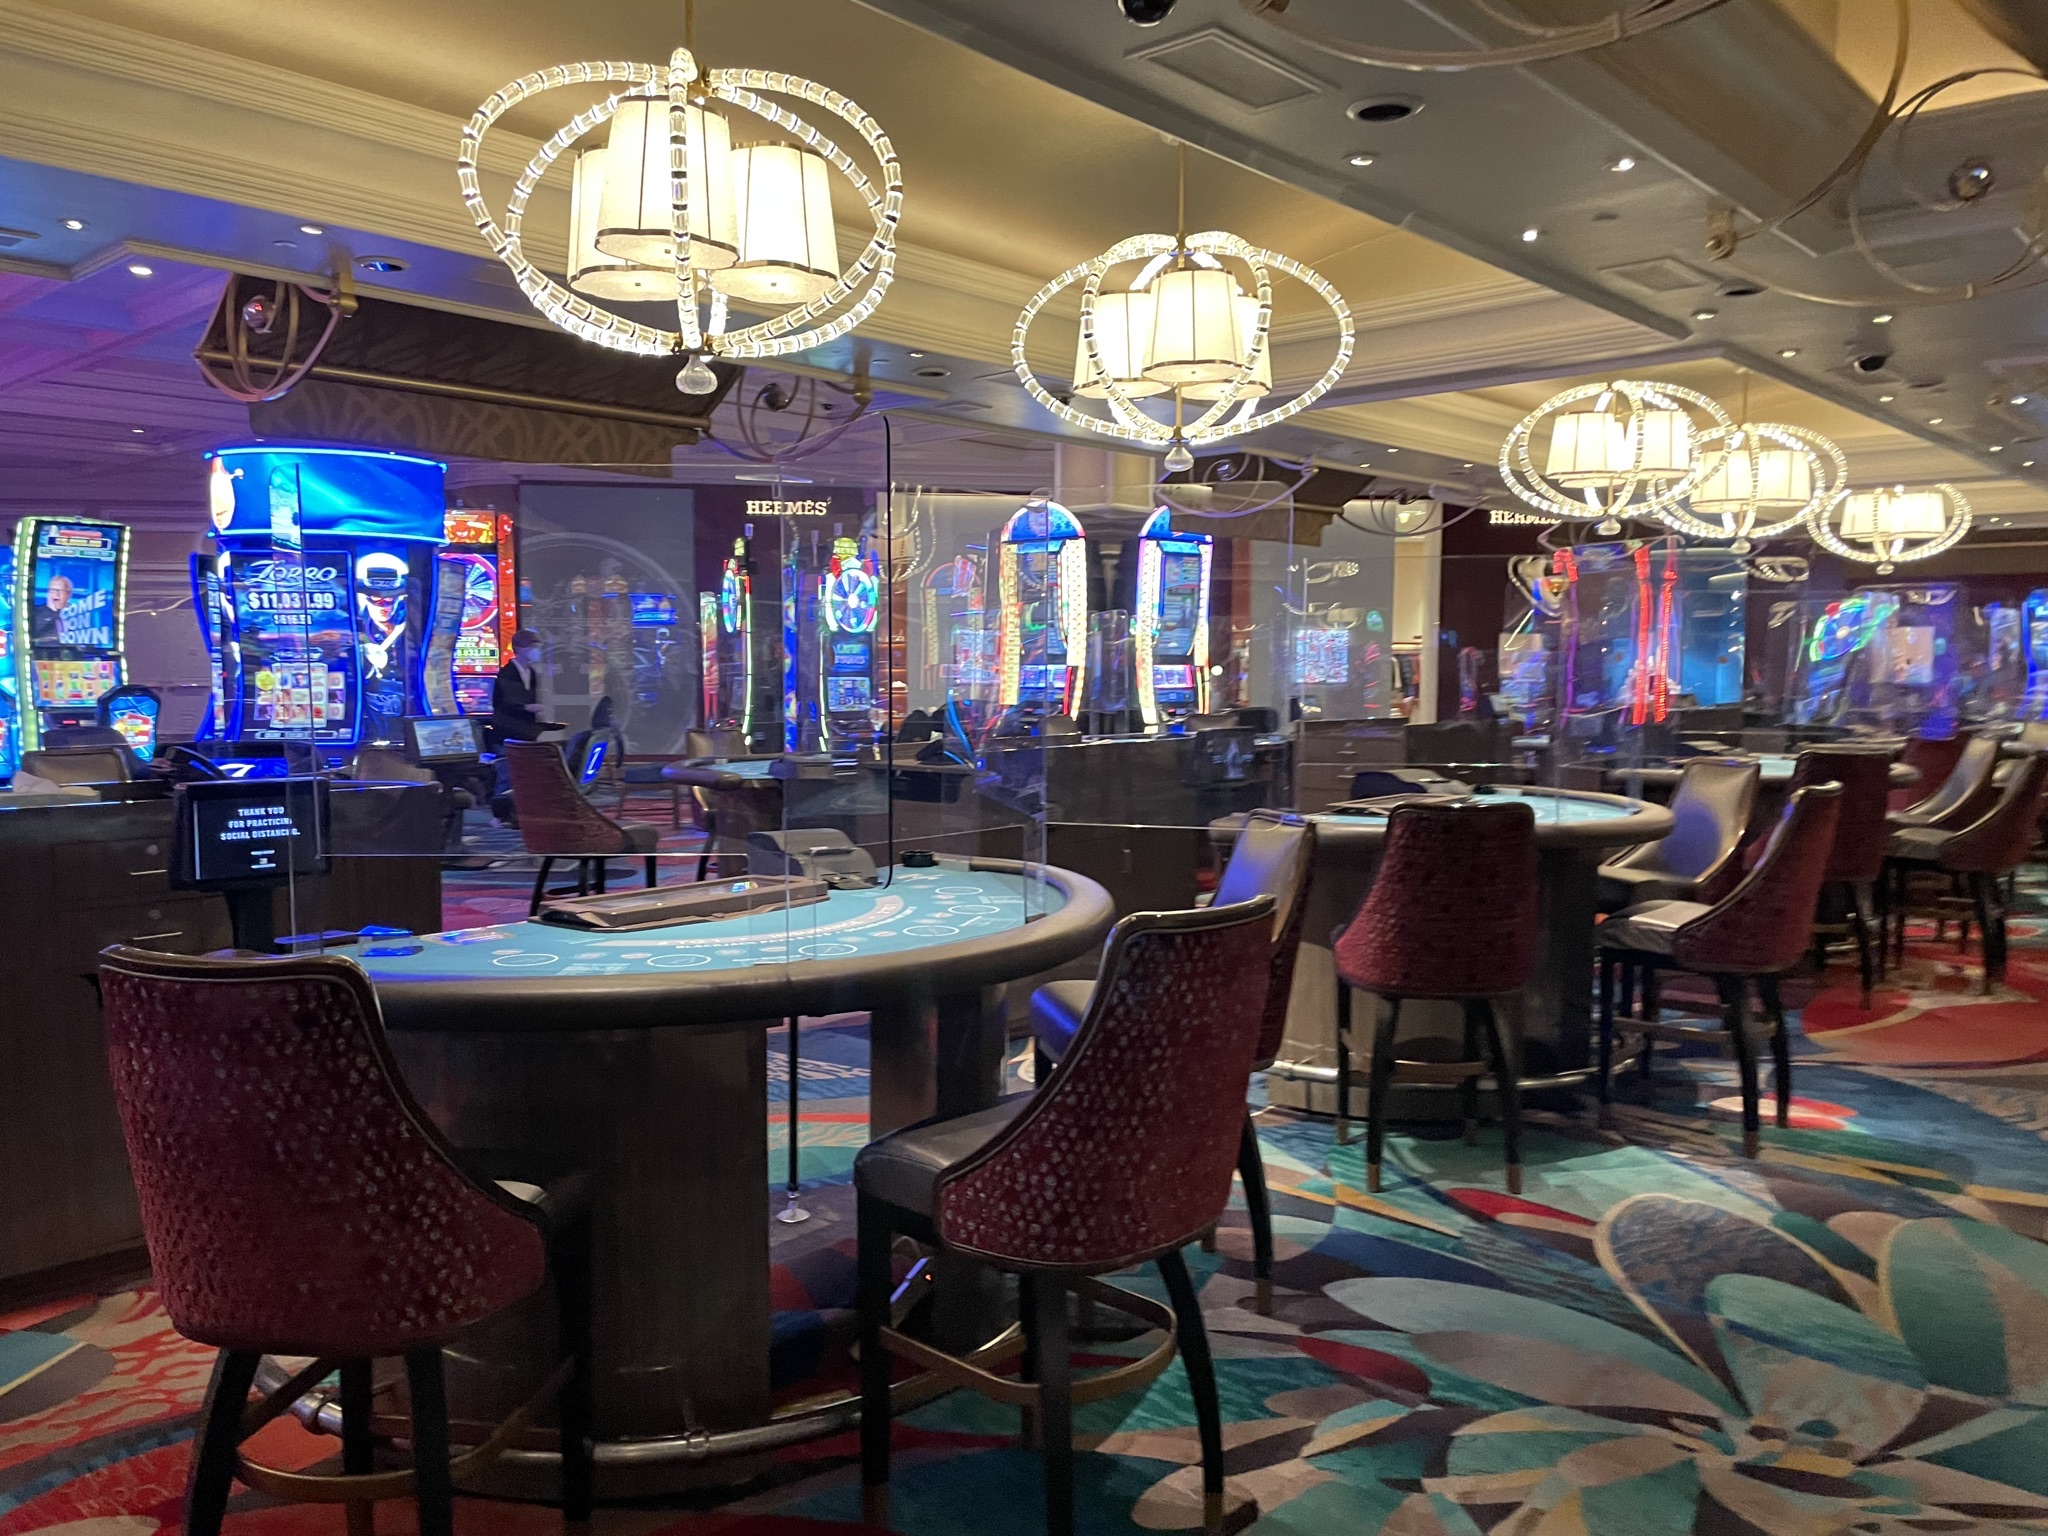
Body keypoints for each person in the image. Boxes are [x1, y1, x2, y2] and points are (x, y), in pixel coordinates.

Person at [491, 629, 559, 745]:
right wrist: (525, 707)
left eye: (537, 647)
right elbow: (505, 702)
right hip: (508, 731)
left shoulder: (532, 672)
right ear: (518, 648)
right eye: (532, 646)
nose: (536, 650)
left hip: (528, 731)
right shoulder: (507, 673)